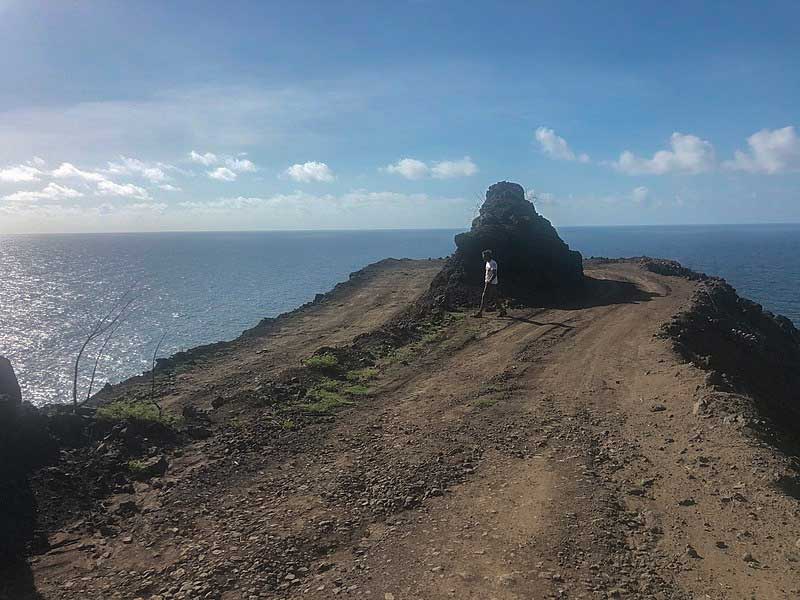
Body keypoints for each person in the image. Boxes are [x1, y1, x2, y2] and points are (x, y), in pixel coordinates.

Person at [473, 249, 507, 318]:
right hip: (489, 282)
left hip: (491, 283)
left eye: (484, 256)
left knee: (484, 296)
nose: (483, 258)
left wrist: (489, 282)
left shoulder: (493, 263)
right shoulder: (487, 263)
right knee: (495, 298)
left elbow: (494, 274)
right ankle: (502, 311)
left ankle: (480, 313)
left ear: (487, 256)